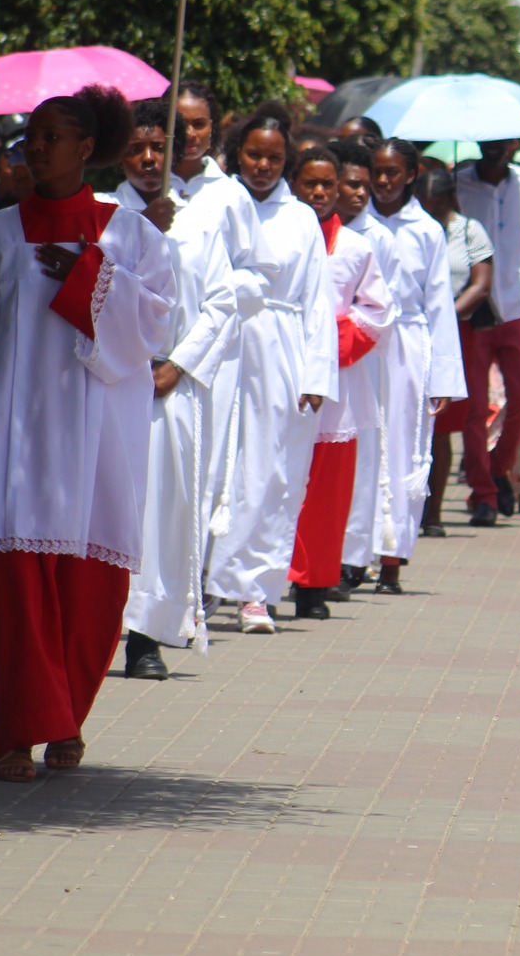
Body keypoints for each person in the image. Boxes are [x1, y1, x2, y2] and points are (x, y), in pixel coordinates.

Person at [0, 86, 175, 781]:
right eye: (29, 135)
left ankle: (66, 718)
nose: (34, 147)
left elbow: (157, 325)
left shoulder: (128, 230)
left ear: (87, 149)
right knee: (12, 590)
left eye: (51, 136)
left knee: (89, 594)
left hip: (98, 439)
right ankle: (17, 731)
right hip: (14, 437)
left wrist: (91, 278)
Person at [116, 101, 255, 680]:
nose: (149, 160)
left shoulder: (199, 216)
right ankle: (97, 627)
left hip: (171, 385)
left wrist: (179, 363)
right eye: (135, 149)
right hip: (113, 382)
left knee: (166, 512)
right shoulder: (102, 214)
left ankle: (146, 633)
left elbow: (224, 300)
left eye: (159, 148)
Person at [203, 108, 337, 635]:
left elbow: (317, 301)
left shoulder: (301, 217)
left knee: (270, 472)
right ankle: (205, 581)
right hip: (219, 345)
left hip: (279, 352)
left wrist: (317, 376)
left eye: (274, 158)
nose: (262, 165)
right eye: (254, 154)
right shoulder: (216, 204)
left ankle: (255, 590)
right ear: (237, 153)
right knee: (213, 467)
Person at [282, 145, 392, 619]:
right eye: (311, 183)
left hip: (336, 385)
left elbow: (380, 310)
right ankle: (260, 577)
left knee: (326, 489)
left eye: (329, 184)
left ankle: (314, 585)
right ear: (294, 184)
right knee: (275, 477)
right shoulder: (274, 238)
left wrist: (334, 346)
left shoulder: (355, 246)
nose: (321, 193)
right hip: (280, 373)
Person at [366, 140, 466, 587]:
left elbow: (439, 304)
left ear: (410, 175)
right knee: (363, 443)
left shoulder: (426, 230)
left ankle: (391, 554)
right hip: (363, 341)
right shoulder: (358, 222)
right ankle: (354, 552)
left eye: (393, 172)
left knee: (403, 447)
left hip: (406, 343)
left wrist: (441, 375)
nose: (383, 181)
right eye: (377, 172)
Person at [454, 136, 520, 522]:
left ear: (516, 142)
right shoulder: (460, 182)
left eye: (503, 140)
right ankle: (483, 493)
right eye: (488, 139)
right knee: (475, 408)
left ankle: (499, 466)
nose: (494, 145)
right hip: (474, 309)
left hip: (518, 305)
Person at [329, 140, 406, 594]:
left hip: (362, 360)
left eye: (364, 185)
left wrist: (338, 341)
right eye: (351, 184)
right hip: (317, 363)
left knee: (362, 461)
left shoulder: (379, 238)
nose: (360, 193)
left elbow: (383, 307)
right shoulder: (313, 232)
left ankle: (352, 558)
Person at [417, 168, 496, 540]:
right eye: (426, 205)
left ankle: (433, 512)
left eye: (439, 207)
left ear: (451, 201)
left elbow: (481, 284)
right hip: (409, 329)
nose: (432, 213)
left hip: (455, 331)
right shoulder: (410, 226)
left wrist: (444, 312)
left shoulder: (469, 230)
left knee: (442, 428)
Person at [167, 81, 227, 203]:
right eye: (180, 124)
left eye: (198, 124)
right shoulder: (148, 188)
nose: (190, 134)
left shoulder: (232, 194)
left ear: (210, 127)